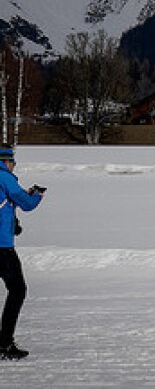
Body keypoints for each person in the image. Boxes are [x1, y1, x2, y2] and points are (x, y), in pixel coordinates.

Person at [0, 148, 45, 360]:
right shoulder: (4, 177)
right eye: (13, 162)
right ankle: (4, 344)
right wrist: (37, 195)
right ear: (5, 161)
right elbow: (25, 203)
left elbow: (7, 204)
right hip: (2, 248)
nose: (14, 166)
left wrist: (12, 223)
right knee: (17, 290)